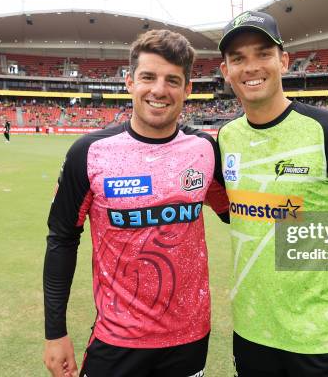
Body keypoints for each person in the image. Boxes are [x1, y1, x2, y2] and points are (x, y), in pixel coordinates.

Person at [43, 29, 229, 377]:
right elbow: (61, 240)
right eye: (148, 77)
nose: (159, 90)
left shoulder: (205, 150)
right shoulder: (89, 152)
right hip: (117, 341)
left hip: (189, 339)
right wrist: (55, 333)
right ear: (129, 82)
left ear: (188, 89)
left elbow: (242, 215)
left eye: (173, 80)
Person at [217, 11, 328, 377]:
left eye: (263, 53)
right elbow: (229, 208)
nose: (251, 67)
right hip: (250, 332)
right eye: (238, 58)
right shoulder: (226, 137)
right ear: (225, 71)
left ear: (284, 60)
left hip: (317, 340)